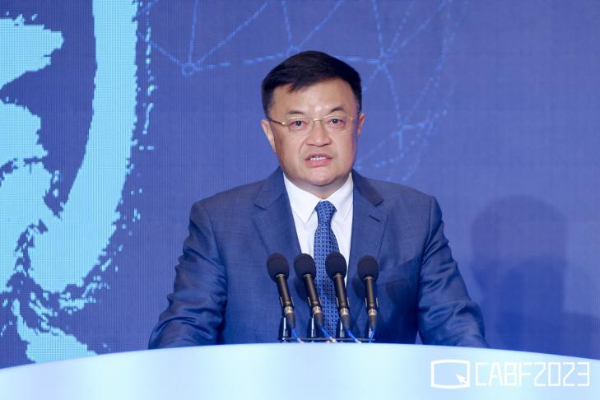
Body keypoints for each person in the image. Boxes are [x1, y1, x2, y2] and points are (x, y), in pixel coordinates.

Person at [149, 51, 487, 348]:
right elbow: (185, 330)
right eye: (298, 123)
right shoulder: (220, 222)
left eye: (335, 121)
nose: (319, 138)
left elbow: (454, 327)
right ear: (270, 134)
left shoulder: (414, 215)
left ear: (358, 126)